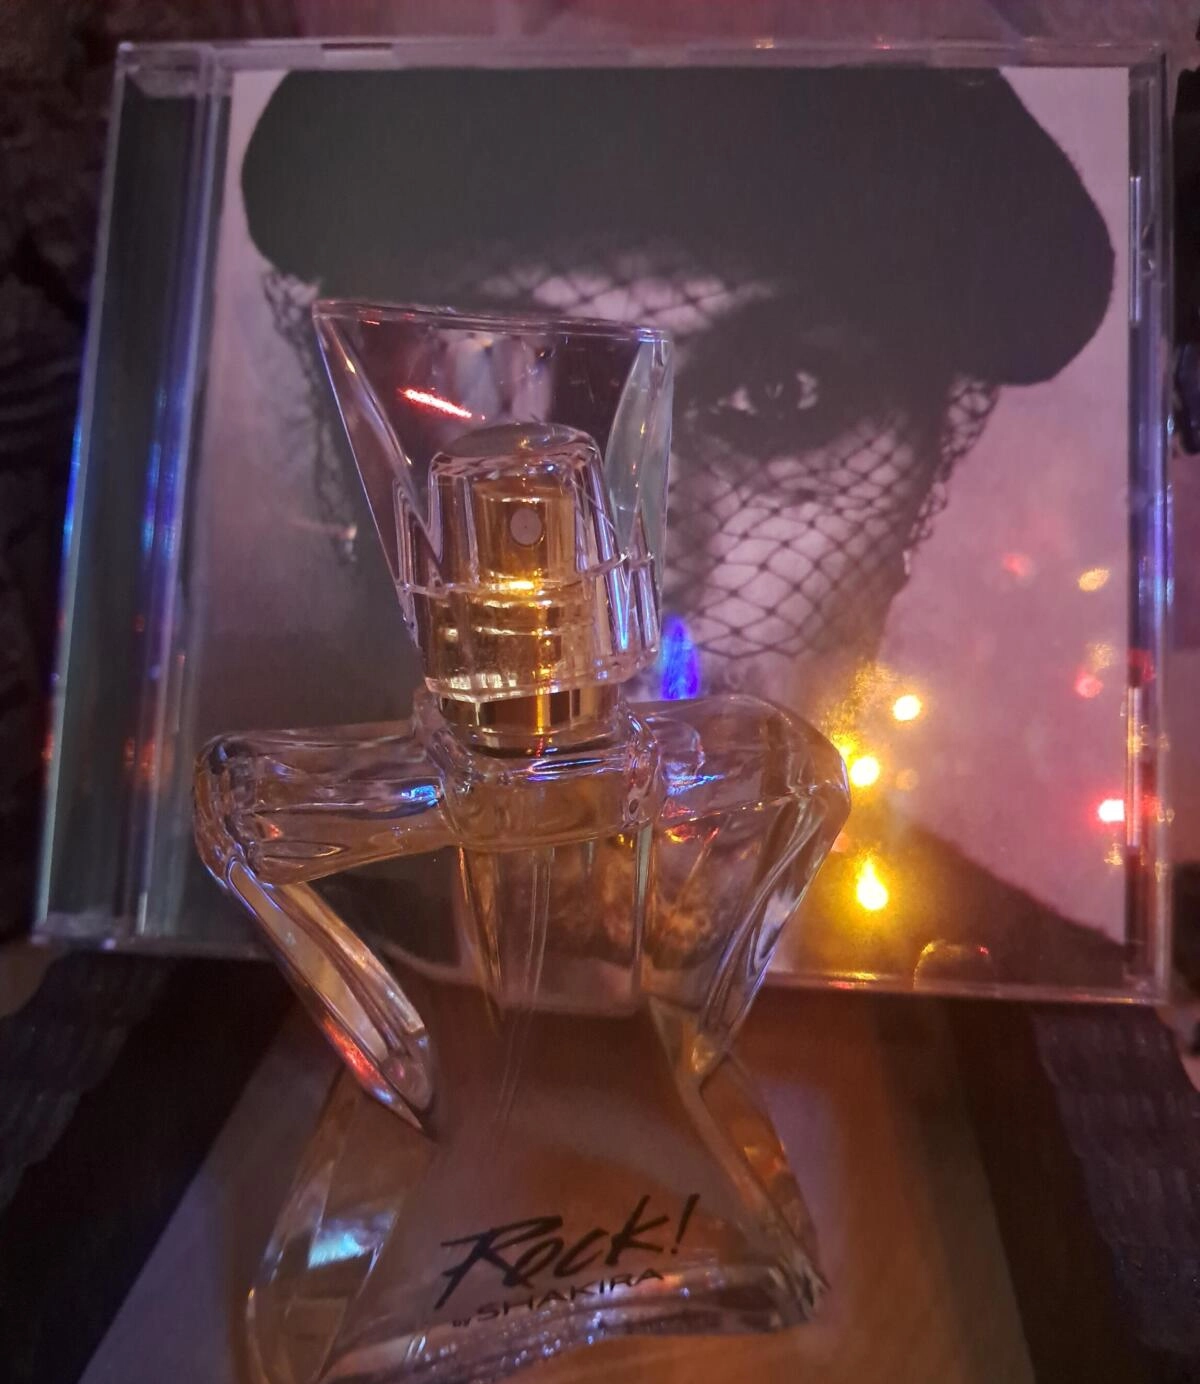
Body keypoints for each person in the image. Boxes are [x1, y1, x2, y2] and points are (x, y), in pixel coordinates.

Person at [242, 64, 1123, 989]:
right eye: (504, 402)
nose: (652, 575)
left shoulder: (1048, 1011)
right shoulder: (205, 978)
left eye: (780, 396)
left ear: (931, 452)